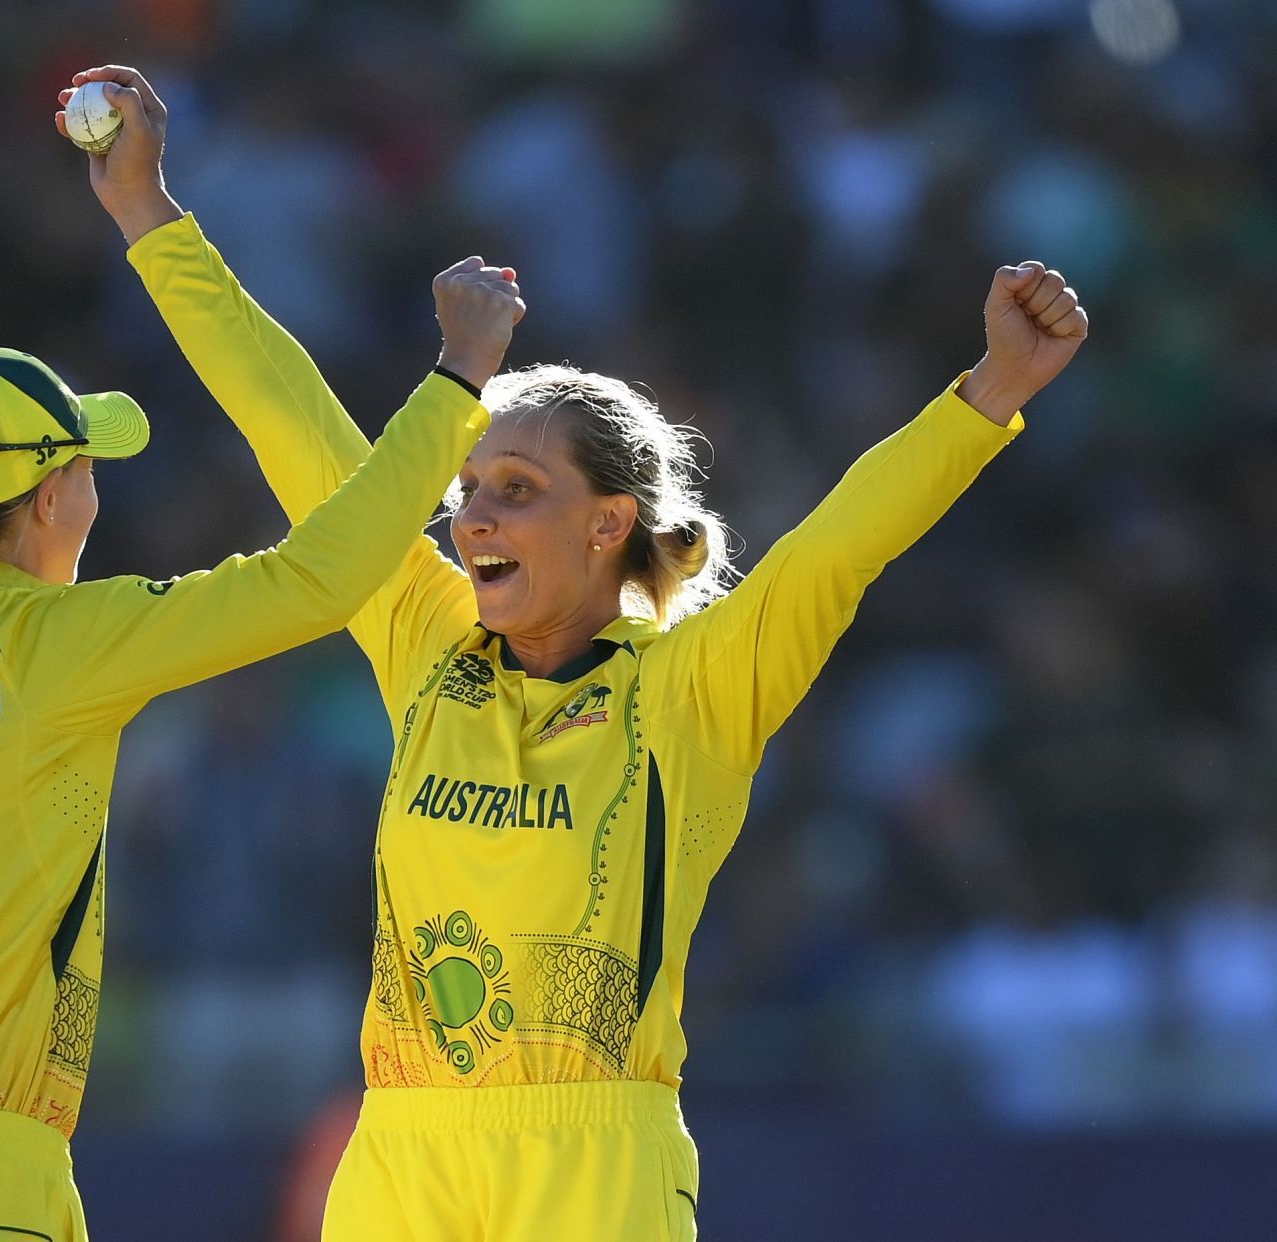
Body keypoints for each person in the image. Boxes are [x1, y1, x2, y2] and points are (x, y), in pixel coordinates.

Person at [67, 65, 1090, 1241]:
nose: (473, 520)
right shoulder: (423, 631)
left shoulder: (698, 684)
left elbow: (839, 549)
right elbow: (285, 414)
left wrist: (994, 390)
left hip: (594, 1153)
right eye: (465, 492)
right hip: (399, 1149)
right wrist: (148, 213)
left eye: (515, 489)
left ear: (610, 522)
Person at [0, 264, 525, 1235]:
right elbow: (321, 577)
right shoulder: (61, 644)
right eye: (84, 471)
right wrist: (459, 379)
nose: (93, 497)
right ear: (44, 503)